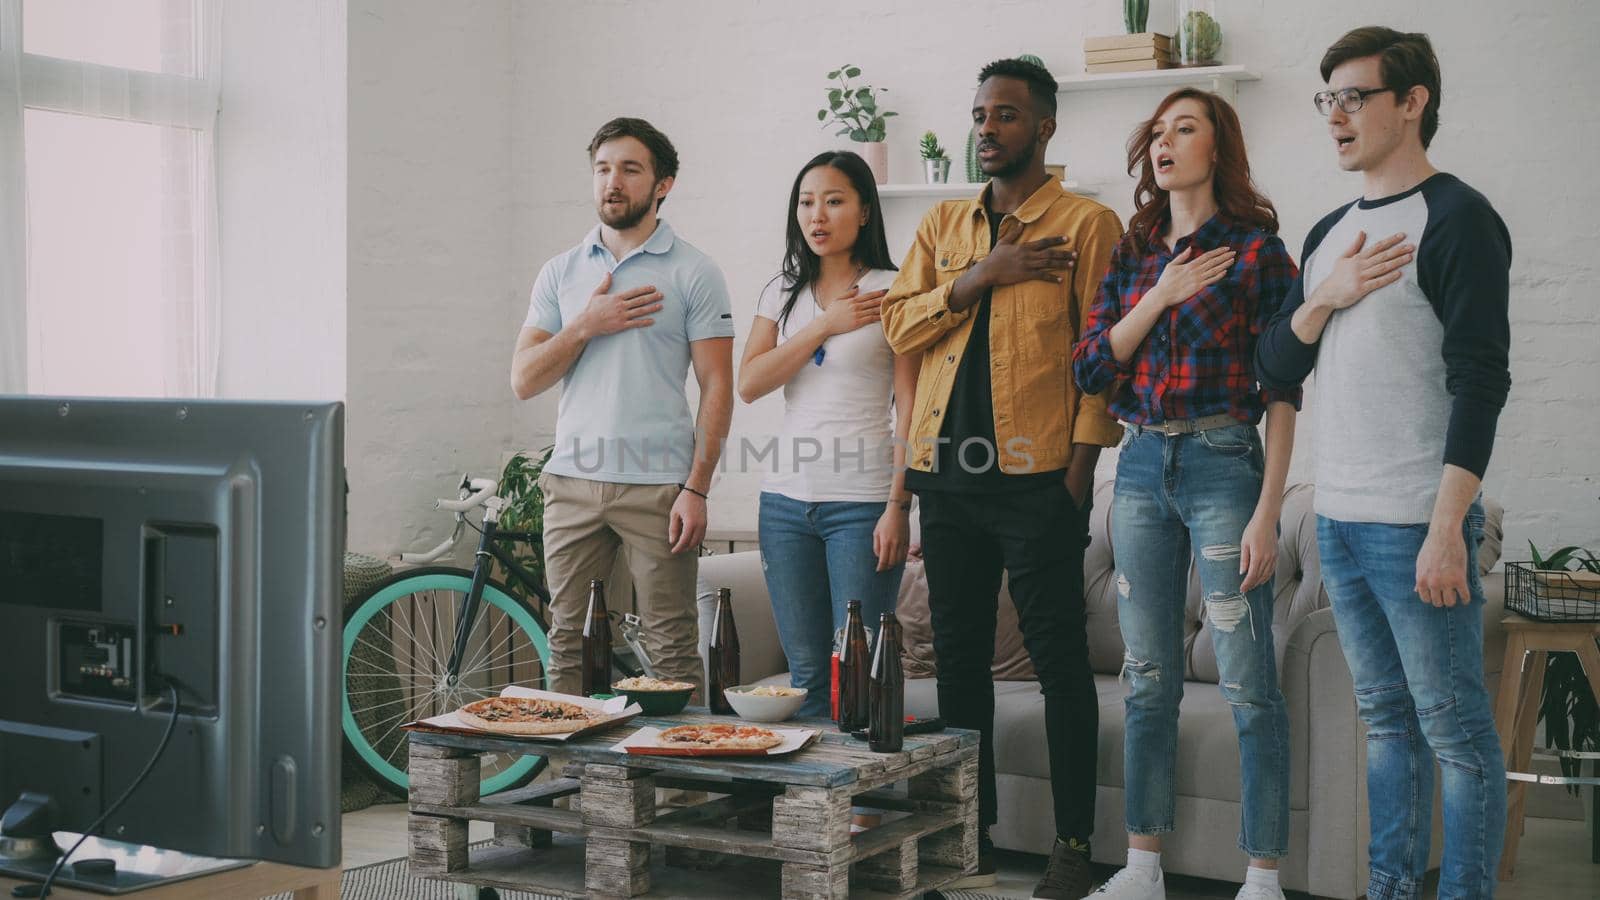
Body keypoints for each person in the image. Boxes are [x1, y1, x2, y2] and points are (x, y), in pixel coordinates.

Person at [1254, 26, 1511, 900]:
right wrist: (1321, 299)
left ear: (1413, 103)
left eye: (1355, 97)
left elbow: (1481, 383)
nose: (1337, 116)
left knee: (1457, 736)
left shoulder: (1460, 219)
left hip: (1415, 525)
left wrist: (1447, 529)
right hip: (1340, 520)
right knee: (1387, 724)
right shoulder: (1329, 232)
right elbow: (1277, 368)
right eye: (1328, 99)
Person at [881, 57, 1124, 900]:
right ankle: (967, 840)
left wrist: (1077, 478)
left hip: (1037, 479)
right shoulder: (946, 224)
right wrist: (977, 277)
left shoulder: (1088, 225)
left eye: (1008, 115)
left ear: (1045, 126)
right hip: (946, 479)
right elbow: (898, 322)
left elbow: (1101, 361)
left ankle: (1071, 846)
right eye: (981, 114)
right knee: (958, 667)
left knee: (1060, 663)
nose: (988, 128)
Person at [1073, 88, 1298, 900]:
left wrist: (1269, 510)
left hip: (1224, 463)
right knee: (1148, 676)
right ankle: (1142, 870)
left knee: (1246, 678)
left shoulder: (1258, 252)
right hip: (1137, 467)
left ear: (1218, 147)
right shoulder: (1135, 254)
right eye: (1157, 133)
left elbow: (1283, 391)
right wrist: (1161, 294)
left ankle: (1263, 877)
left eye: (1185, 128)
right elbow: (1094, 368)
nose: (1165, 144)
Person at [510, 117, 734, 699]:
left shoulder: (694, 271)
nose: (613, 181)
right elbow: (524, 379)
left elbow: (717, 387)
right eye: (603, 168)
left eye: (630, 169)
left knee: (670, 645)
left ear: (664, 184)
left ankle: (680, 793)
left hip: (659, 489)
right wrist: (584, 325)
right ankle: (572, 787)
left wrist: (698, 488)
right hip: (571, 485)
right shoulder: (561, 271)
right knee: (566, 641)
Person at [737, 150, 917, 719]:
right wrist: (825, 323)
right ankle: (817, 808)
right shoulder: (782, 291)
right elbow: (749, 382)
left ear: (865, 210)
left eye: (834, 201)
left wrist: (899, 504)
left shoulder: (895, 289)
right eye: (807, 202)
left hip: (862, 505)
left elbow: (911, 406)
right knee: (808, 674)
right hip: (785, 503)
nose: (817, 215)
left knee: (859, 671)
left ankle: (863, 810)